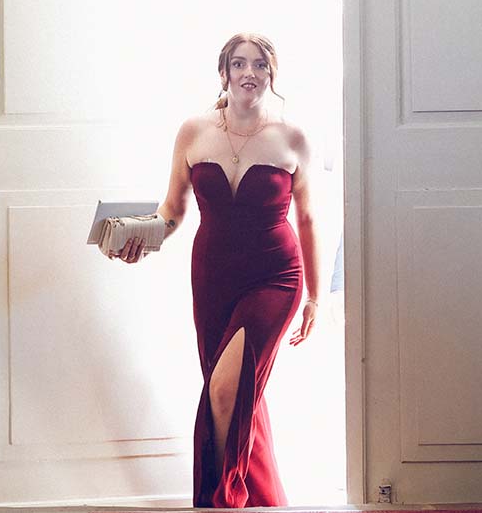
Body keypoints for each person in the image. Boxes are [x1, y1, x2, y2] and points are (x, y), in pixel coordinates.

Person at [111, 32, 324, 508]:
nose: (250, 73)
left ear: (272, 74)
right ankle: (263, 501)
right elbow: (172, 210)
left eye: (260, 65)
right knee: (240, 393)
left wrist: (314, 297)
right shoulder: (194, 131)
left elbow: (308, 218)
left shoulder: (293, 138)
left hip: (275, 276)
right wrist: (138, 240)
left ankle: (223, 503)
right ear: (224, 72)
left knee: (226, 392)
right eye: (240, 64)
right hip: (212, 277)